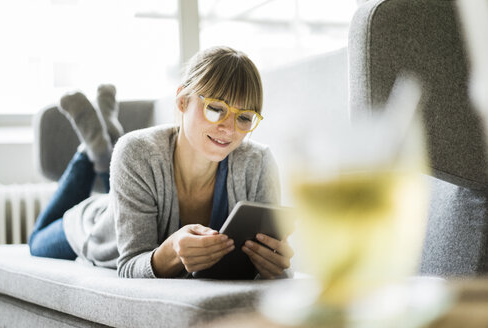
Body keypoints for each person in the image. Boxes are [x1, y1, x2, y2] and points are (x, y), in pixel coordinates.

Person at [28, 46, 293, 279]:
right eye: (215, 108)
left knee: (126, 170)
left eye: (244, 117)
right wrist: (169, 253)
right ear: (182, 101)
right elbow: (130, 264)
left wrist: (276, 267)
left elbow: (274, 260)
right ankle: (90, 152)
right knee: (36, 242)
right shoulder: (136, 152)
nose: (229, 128)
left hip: (134, 188)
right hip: (97, 223)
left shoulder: (258, 163)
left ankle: (103, 142)